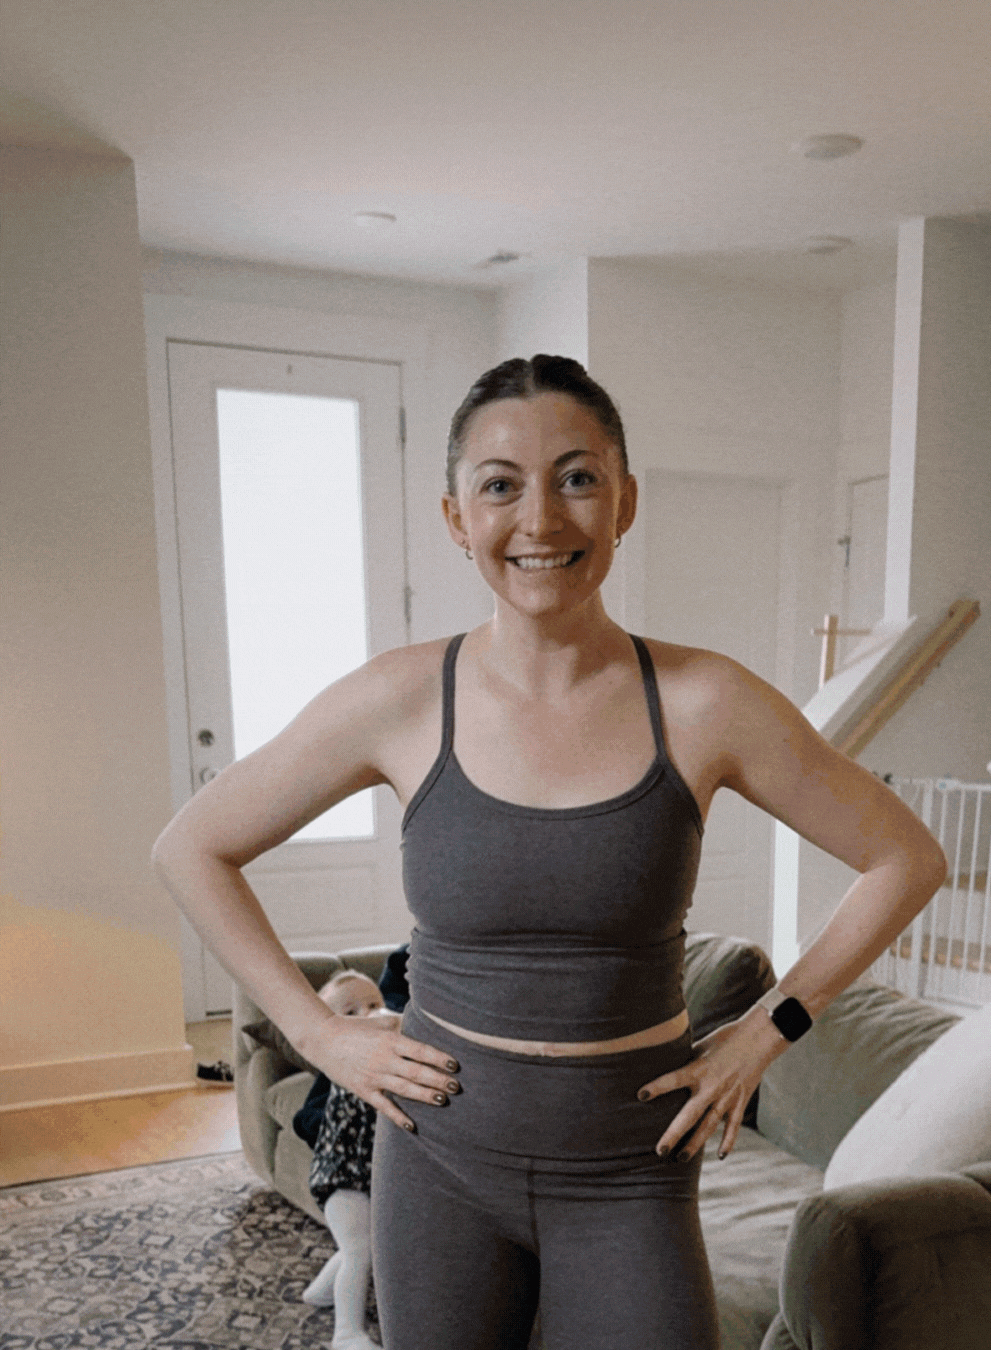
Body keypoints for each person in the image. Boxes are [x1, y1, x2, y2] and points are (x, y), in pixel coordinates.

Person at [153, 354, 947, 1350]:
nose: (541, 519)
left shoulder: (708, 702)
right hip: (437, 1160)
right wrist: (316, 1035)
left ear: (624, 502)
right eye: (501, 485)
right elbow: (194, 846)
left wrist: (768, 1026)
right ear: (456, 517)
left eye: (577, 477)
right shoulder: (400, 698)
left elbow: (905, 857)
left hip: (630, 1168)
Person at [294, 970, 391, 1350]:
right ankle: (347, 1334)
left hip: (369, 1175)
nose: (368, 1015)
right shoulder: (340, 1064)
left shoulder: (387, 1052)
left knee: (358, 1243)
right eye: (352, 1011)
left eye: (375, 1004)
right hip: (340, 1176)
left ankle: (319, 1292)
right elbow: (308, 1115)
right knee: (359, 1249)